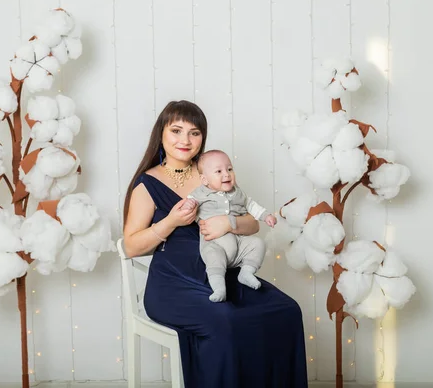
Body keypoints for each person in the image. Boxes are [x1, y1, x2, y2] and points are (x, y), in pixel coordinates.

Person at [123, 100, 308, 388]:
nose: (185, 140)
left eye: (194, 133)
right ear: (161, 133)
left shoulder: (214, 172)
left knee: (286, 310)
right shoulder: (147, 184)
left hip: (225, 273)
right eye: (176, 130)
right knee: (225, 320)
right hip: (173, 285)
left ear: (202, 138)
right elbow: (132, 246)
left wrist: (229, 223)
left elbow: (253, 222)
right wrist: (171, 222)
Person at [184, 149, 277, 302]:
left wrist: (266, 215)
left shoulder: (238, 193)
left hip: (239, 243)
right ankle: (219, 288)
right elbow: (190, 202)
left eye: (229, 169)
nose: (226, 174)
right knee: (213, 258)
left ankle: (246, 272)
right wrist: (188, 205)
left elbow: (250, 205)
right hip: (215, 244)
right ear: (205, 180)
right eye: (218, 171)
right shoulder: (200, 194)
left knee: (258, 244)